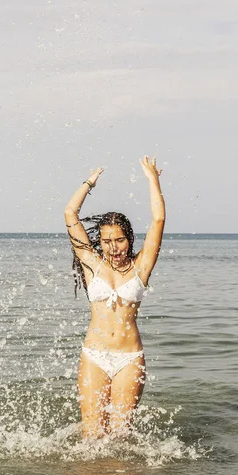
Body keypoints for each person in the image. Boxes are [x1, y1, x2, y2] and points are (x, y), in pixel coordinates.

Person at [64, 156, 165, 438]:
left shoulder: (141, 267)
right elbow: (70, 214)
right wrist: (88, 183)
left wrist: (152, 180)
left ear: (129, 239)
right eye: (107, 241)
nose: (113, 247)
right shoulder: (92, 264)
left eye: (119, 240)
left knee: (122, 436)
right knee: (92, 436)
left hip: (129, 358)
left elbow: (158, 219)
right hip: (94, 355)